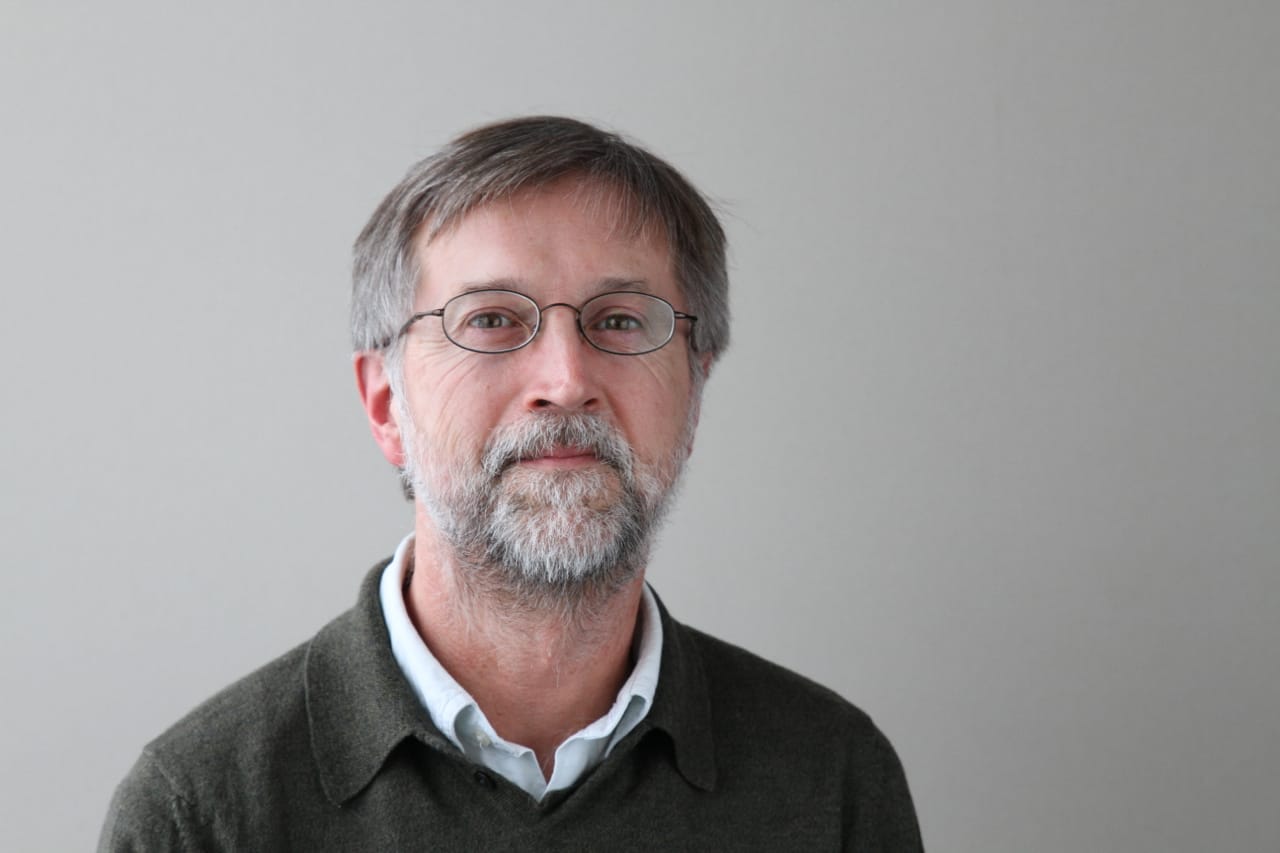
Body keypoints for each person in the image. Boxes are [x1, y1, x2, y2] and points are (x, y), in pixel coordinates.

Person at [99, 116, 924, 851]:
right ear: (386, 403)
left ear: (696, 391)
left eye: (621, 320)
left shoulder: (832, 782)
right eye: (491, 319)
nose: (566, 379)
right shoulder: (200, 813)